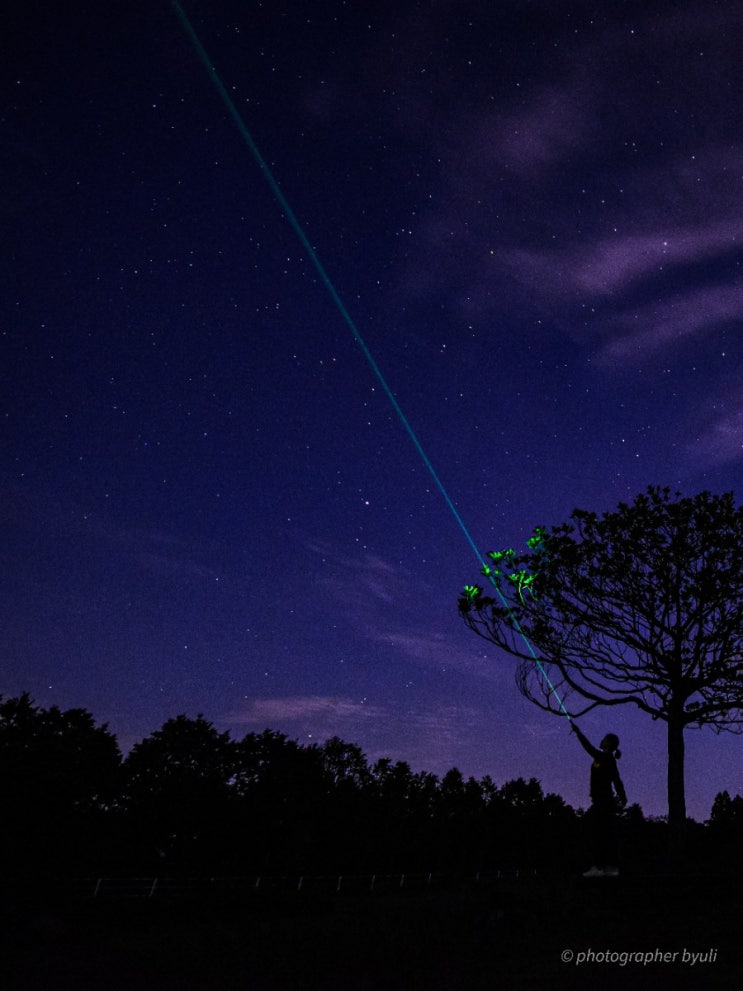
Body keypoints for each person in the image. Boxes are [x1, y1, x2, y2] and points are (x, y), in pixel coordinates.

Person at [570, 722, 627, 877]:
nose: (601, 740)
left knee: (593, 832)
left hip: (603, 802)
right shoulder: (607, 758)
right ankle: (609, 867)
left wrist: (578, 732)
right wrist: (623, 798)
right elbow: (617, 780)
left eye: (604, 739)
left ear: (608, 743)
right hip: (604, 801)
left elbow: (589, 748)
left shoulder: (605, 757)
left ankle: (598, 866)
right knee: (604, 834)